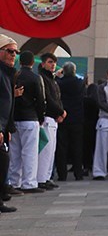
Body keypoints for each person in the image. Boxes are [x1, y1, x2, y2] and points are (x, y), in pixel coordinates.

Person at [9, 51, 45, 193]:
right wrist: (40, 117)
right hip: (30, 118)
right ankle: (29, 183)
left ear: (20, 61)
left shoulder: (14, 76)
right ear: (32, 63)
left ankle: (14, 182)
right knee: (30, 152)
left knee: (15, 152)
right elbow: (41, 100)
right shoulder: (36, 78)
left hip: (14, 118)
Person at [37, 53, 65, 190]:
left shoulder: (52, 79)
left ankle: (47, 176)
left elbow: (57, 98)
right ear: (43, 64)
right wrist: (60, 111)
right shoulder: (42, 78)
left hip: (54, 118)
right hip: (47, 117)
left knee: (51, 150)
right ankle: (41, 178)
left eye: (54, 62)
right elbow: (47, 99)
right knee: (45, 150)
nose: (53, 64)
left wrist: (60, 112)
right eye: (49, 62)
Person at [0, 35, 20, 212]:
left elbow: (7, 103)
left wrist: (8, 128)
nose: (13, 55)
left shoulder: (6, 74)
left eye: (16, 52)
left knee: (3, 162)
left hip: (3, 127)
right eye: (9, 51)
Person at [55, 62, 85, 181]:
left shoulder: (60, 83)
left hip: (63, 117)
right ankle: (79, 174)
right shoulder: (80, 83)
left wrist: (57, 76)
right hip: (77, 118)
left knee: (62, 147)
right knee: (77, 147)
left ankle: (62, 175)